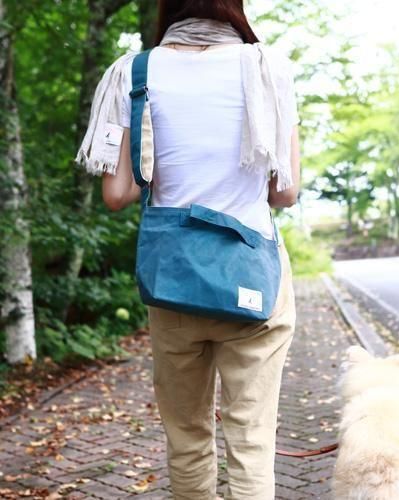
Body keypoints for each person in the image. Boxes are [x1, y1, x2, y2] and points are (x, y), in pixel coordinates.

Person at [81, 1, 301, 498]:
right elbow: (285, 193)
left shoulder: (133, 73)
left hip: (174, 282)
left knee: (187, 440)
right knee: (251, 441)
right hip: (252, 278)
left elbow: (116, 194)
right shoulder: (267, 68)